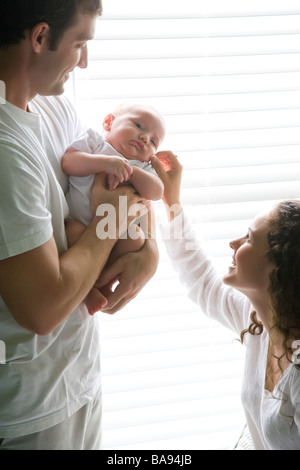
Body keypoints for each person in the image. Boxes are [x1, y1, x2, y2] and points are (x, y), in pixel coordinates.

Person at [0, 0, 159, 450]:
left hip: (79, 376)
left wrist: (149, 252)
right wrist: (111, 223)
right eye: (80, 44)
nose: (83, 62)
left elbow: (115, 181)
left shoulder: (54, 109)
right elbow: (43, 308)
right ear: (40, 37)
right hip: (29, 409)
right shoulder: (4, 148)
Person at [151, 152, 300, 450]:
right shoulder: (257, 323)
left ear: (279, 265)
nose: (233, 243)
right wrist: (172, 202)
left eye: (248, 238)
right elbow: (201, 280)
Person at [62, 101, 165, 315]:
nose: (145, 138)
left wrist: (134, 173)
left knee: (136, 237)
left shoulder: (142, 167)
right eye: (138, 126)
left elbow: (156, 192)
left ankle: (104, 285)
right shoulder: (96, 142)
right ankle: (89, 290)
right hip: (81, 228)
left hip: (117, 236)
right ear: (109, 122)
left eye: (154, 141)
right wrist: (105, 164)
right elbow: (69, 162)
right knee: (70, 231)